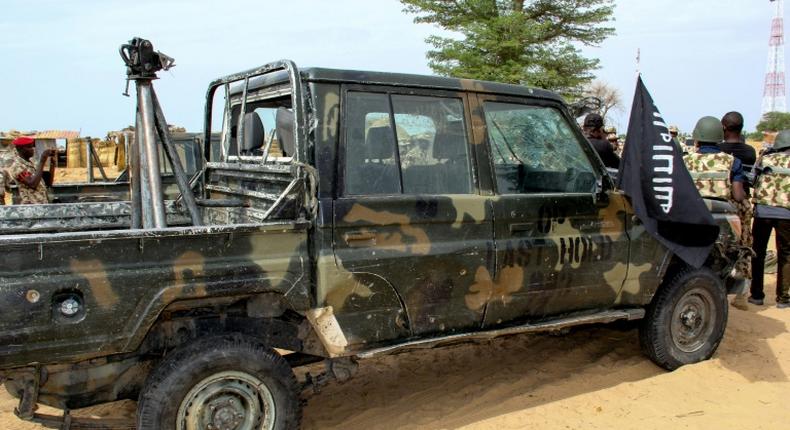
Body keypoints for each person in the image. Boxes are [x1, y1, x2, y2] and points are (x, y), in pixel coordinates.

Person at [683, 117, 750, 309]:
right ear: (719, 137)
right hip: (721, 223)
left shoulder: (685, 161)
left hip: (691, 219)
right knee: (742, 244)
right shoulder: (732, 162)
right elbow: (738, 195)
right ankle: (741, 294)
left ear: (696, 138)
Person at [749, 129, 790, 309]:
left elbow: (751, 179)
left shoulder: (765, 159)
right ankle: (783, 298)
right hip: (786, 215)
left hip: (762, 213)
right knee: (786, 255)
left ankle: (756, 295)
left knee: (758, 252)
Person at [4, 136, 56, 205]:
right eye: (29, 147)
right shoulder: (17, 166)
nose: (33, 149)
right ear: (21, 149)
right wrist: (42, 160)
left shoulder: (31, 164)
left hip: (41, 204)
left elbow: (48, 182)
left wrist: (52, 164)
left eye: (32, 147)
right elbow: (33, 184)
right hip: (30, 207)